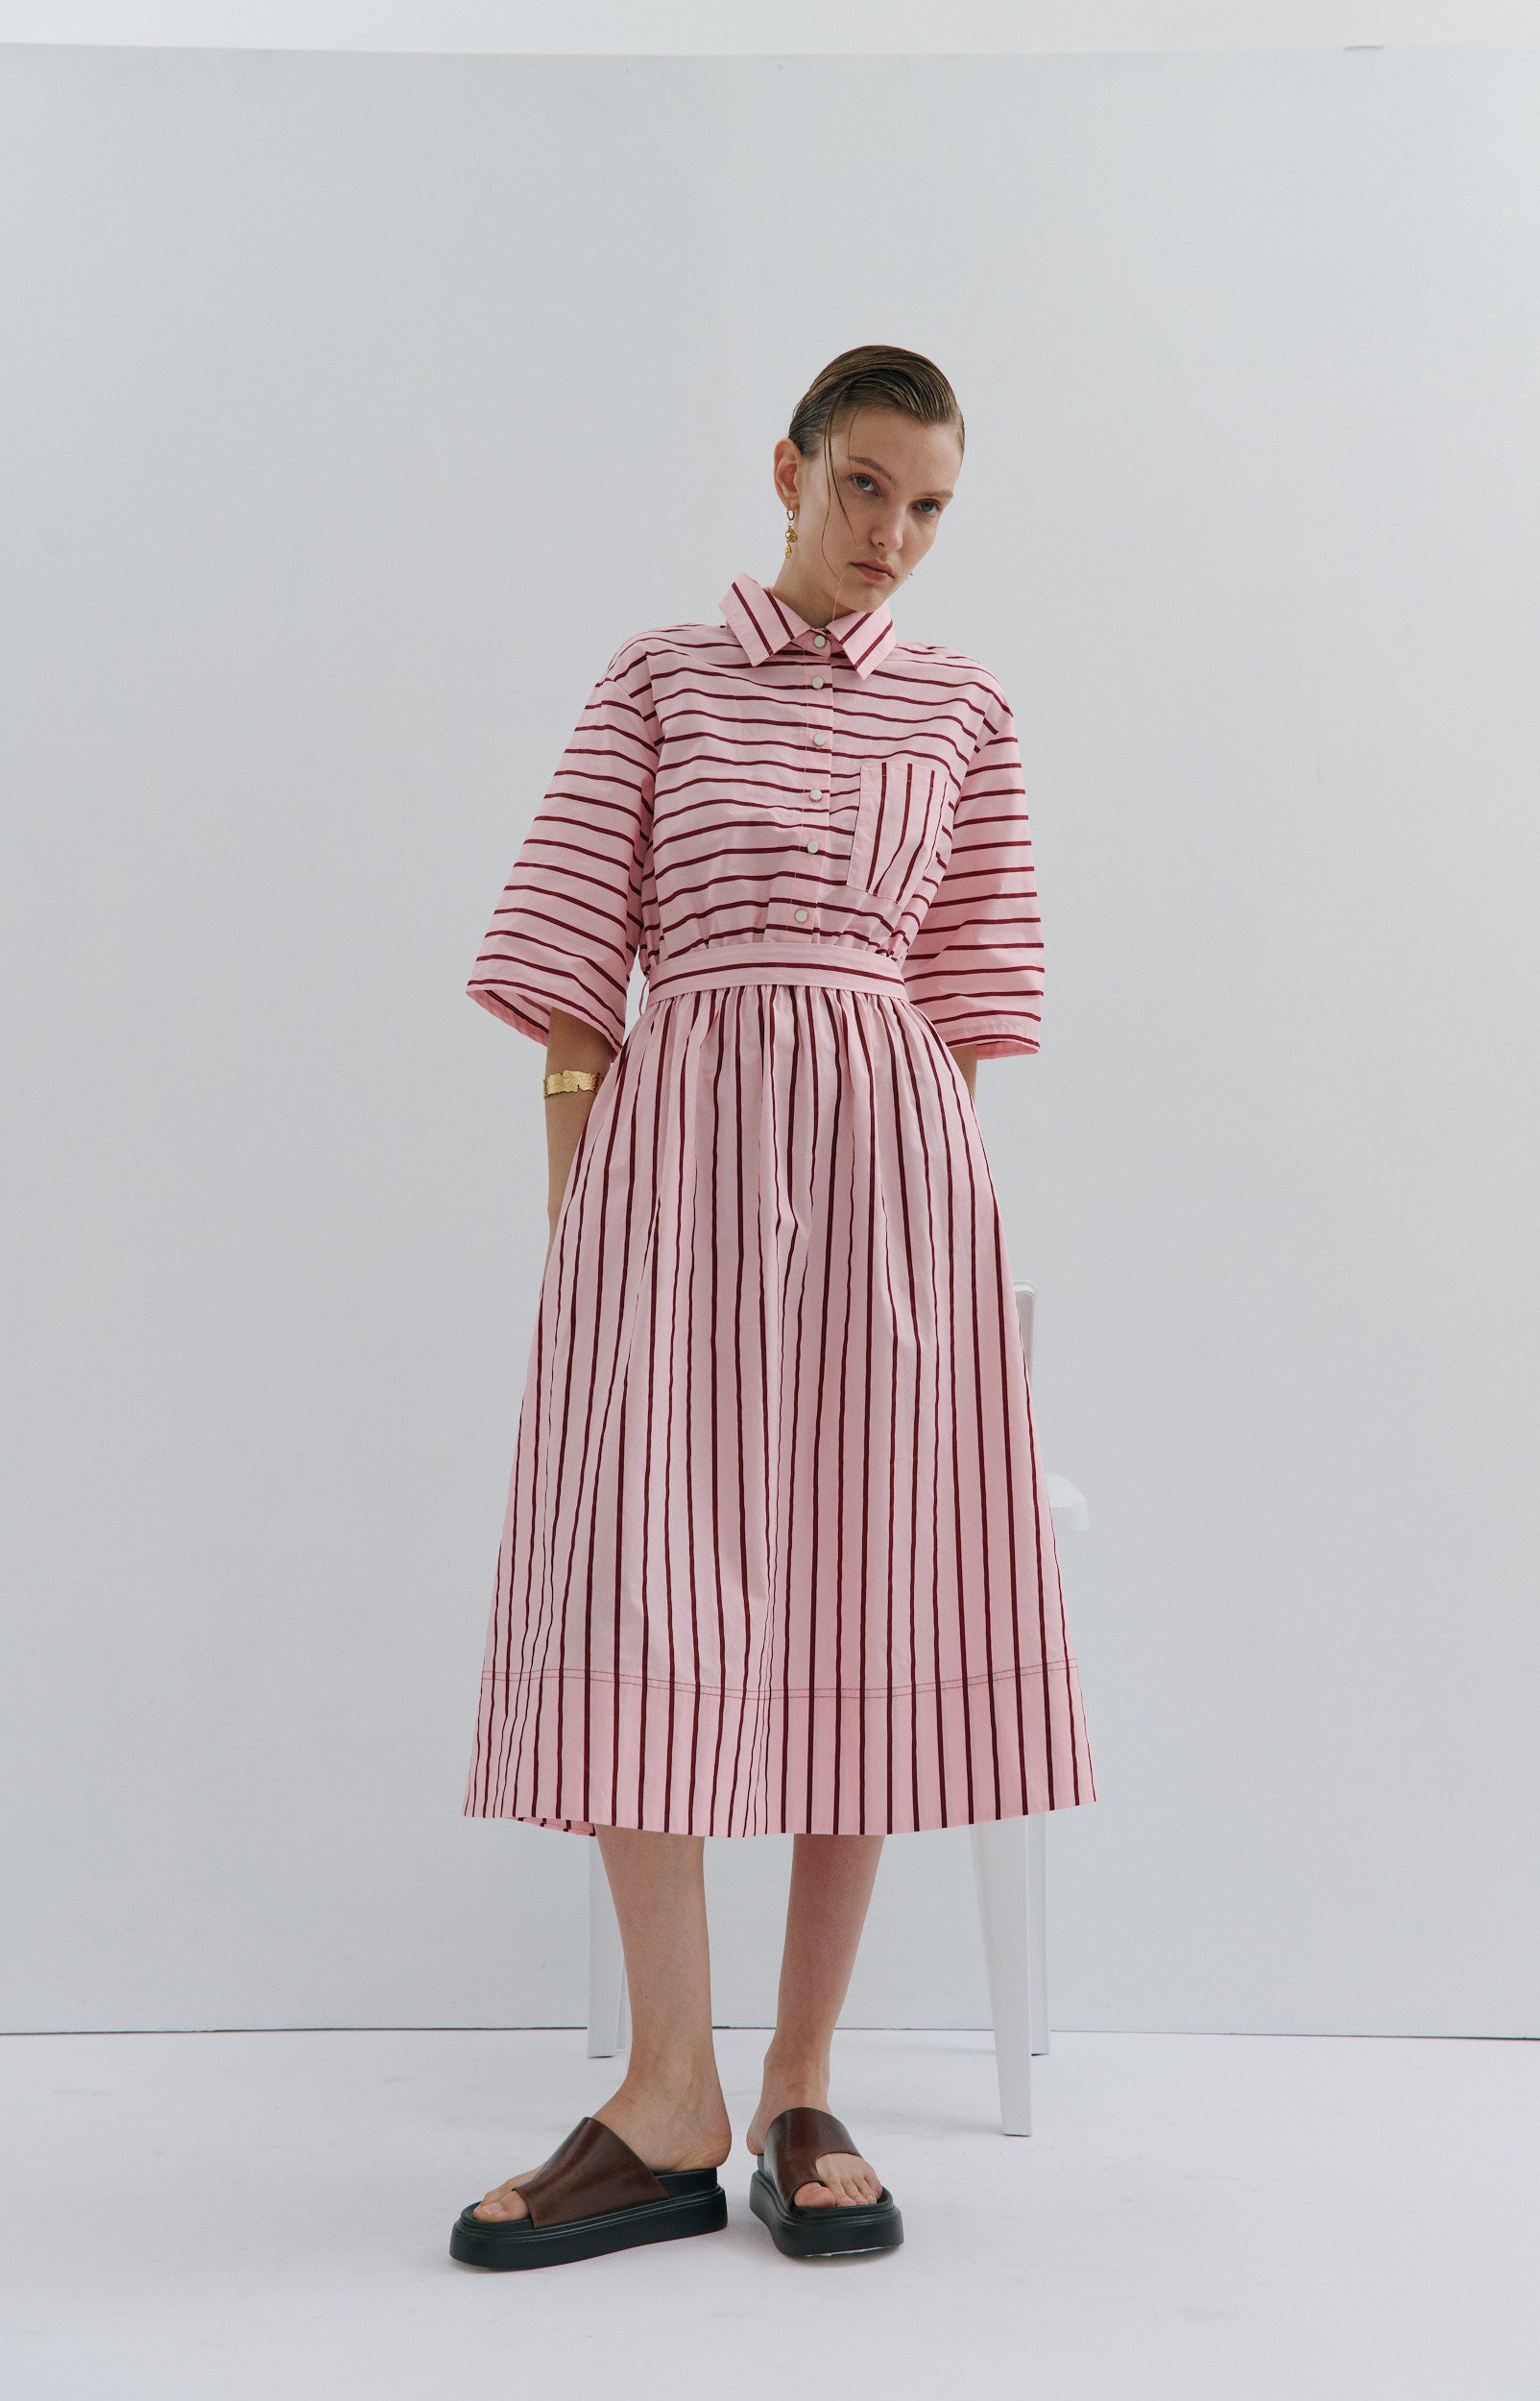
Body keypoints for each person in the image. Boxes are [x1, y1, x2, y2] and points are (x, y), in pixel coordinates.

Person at [447, 344, 1097, 2272]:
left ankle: (807, 2079)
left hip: (899, 1188)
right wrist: (584, 1205)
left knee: (870, 1577)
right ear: (792, 471)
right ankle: (670, 2091)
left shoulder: (966, 705)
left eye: (930, 505)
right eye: (866, 487)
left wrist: (936, 1263)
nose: (892, 533)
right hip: (679, 1163)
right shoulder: (662, 674)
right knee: (643, 1566)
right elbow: (577, 970)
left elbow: (969, 1005)